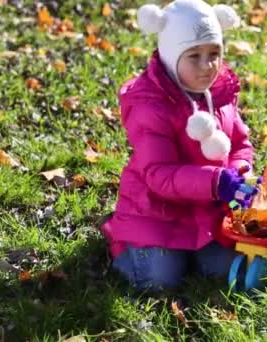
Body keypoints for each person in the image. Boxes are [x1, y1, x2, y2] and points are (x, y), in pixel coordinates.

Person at [101, 0, 258, 292]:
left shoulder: (220, 93)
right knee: (159, 279)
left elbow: (239, 143)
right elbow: (159, 175)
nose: (207, 66)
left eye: (214, 53)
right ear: (172, 57)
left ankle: (192, 251)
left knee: (222, 268)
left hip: (206, 209)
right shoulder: (152, 105)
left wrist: (238, 173)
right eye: (194, 56)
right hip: (155, 210)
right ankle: (123, 243)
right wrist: (214, 182)